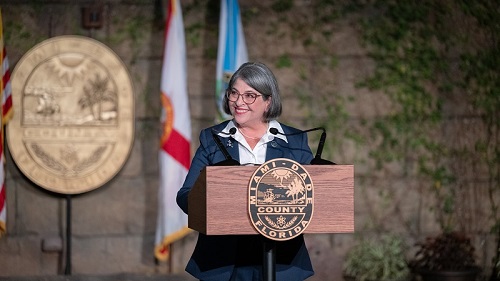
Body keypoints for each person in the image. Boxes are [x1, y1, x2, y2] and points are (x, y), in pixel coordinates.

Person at [176, 62, 315, 281]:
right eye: (234, 93)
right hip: (224, 263)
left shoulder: (294, 140)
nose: (239, 102)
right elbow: (185, 195)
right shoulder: (212, 138)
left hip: (282, 262)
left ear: (268, 101)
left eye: (250, 95)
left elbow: (314, 196)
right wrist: (214, 206)